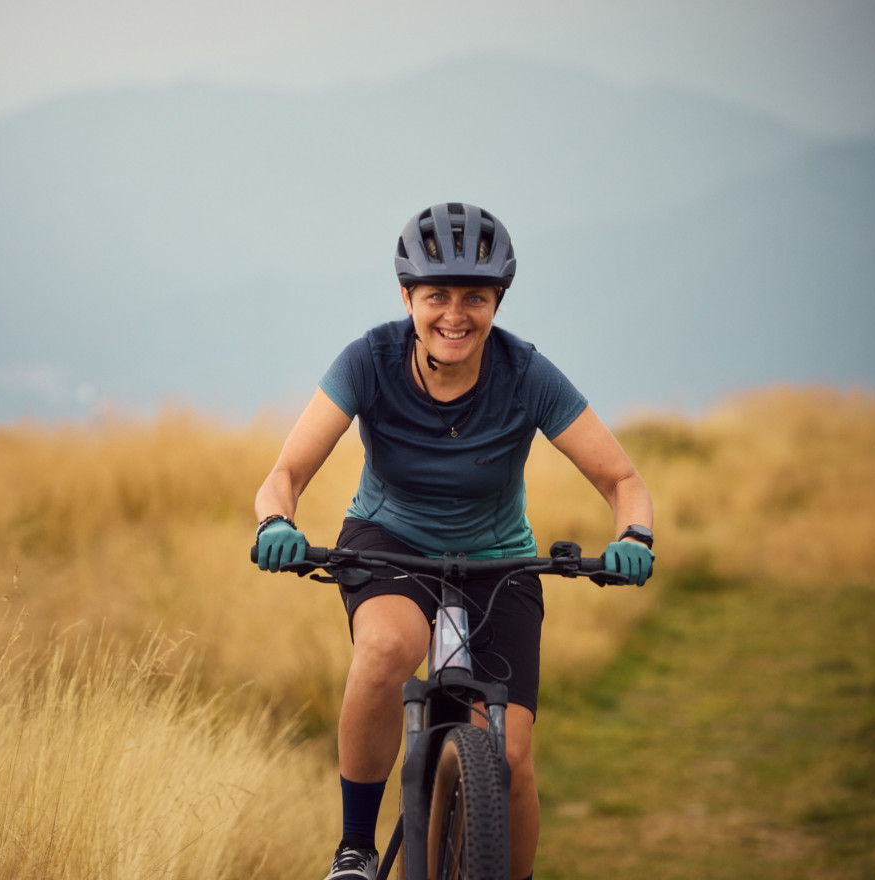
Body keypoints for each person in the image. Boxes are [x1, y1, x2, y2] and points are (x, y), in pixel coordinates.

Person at [253, 203, 654, 880]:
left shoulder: (525, 373)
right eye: (437, 295)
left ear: (497, 302)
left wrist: (634, 535)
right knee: (389, 646)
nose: (455, 315)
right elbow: (284, 476)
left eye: (475, 297)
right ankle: (356, 849)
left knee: (510, 758)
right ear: (407, 297)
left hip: (499, 563)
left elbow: (622, 479)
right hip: (390, 545)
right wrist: (276, 523)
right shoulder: (369, 361)